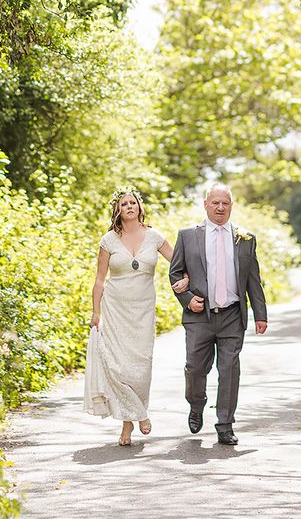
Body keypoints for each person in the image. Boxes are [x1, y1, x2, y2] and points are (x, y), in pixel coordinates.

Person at [83, 188, 189, 446]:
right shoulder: (108, 240)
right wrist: (95, 312)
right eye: (124, 204)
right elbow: (99, 280)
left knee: (140, 366)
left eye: (133, 203)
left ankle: (137, 412)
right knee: (118, 366)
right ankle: (129, 423)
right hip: (116, 307)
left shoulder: (154, 237)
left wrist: (186, 277)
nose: (129, 206)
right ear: (118, 211)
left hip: (143, 309)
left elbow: (178, 262)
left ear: (140, 208)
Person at [169, 183, 268, 445]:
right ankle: (196, 404)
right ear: (206, 204)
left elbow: (253, 279)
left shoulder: (245, 238)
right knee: (194, 369)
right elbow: (175, 273)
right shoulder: (188, 235)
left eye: (225, 203)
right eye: (215, 202)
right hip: (200, 316)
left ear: (231, 206)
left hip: (232, 316)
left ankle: (225, 425)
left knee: (229, 370)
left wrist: (261, 314)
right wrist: (188, 300)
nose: (220, 207)